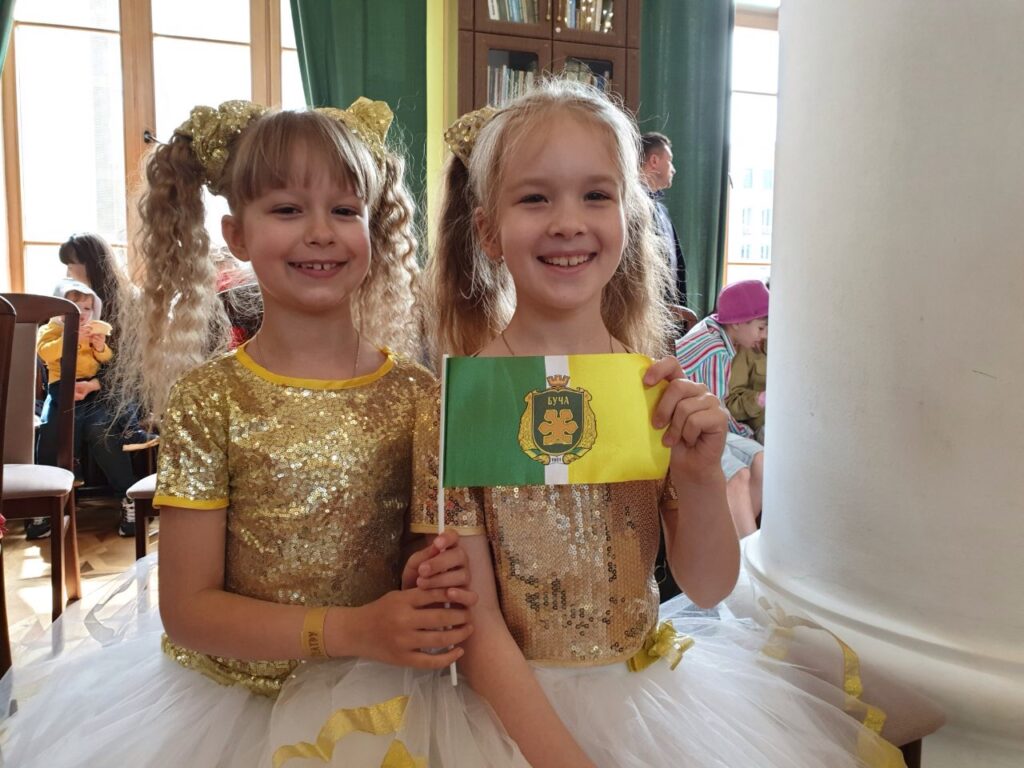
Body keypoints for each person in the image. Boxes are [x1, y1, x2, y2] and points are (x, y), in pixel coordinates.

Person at [408, 80, 905, 767]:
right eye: (535, 198)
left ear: (629, 215)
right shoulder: (461, 406)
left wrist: (698, 478)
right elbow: (478, 622)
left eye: (596, 194)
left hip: (647, 700)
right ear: (489, 231)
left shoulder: (651, 389)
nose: (567, 222)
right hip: (507, 720)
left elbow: (707, 585)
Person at [0, 99, 485, 767]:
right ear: (236, 235)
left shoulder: (418, 393)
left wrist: (425, 574)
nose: (321, 232)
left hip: (384, 696)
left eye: (345, 210)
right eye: (287, 210)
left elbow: (415, 552)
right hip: (231, 706)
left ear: (373, 228)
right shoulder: (211, 399)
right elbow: (189, 610)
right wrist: (351, 630)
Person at [33, 278, 139, 538]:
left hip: (92, 391)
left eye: (87, 308)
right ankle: (43, 504)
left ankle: (128, 497)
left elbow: (107, 360)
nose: (81, 313)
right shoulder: (51, 329)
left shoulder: (93, 330)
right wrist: (71, 337)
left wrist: (99, 347)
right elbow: (45, 353)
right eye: (73, 306)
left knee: (103, 431)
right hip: (60, 390)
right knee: (51, 432)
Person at [676, 279, 769, 536]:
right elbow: (715, 417)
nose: (763, 335)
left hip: (702, 419)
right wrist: (744, 430)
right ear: (738, 323)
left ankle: (733, 542)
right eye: (761, 327)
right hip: (688, 428)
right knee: (739, 476)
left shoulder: (714, 328)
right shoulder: (716, 351)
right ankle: (742, 551)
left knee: (762, 461)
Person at [640, 131, 697, 332]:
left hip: (666, 317)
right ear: (654, 161)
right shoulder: (630, 207)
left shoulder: (661, 210)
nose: (673, 169)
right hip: (642, 314)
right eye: (670, 160)